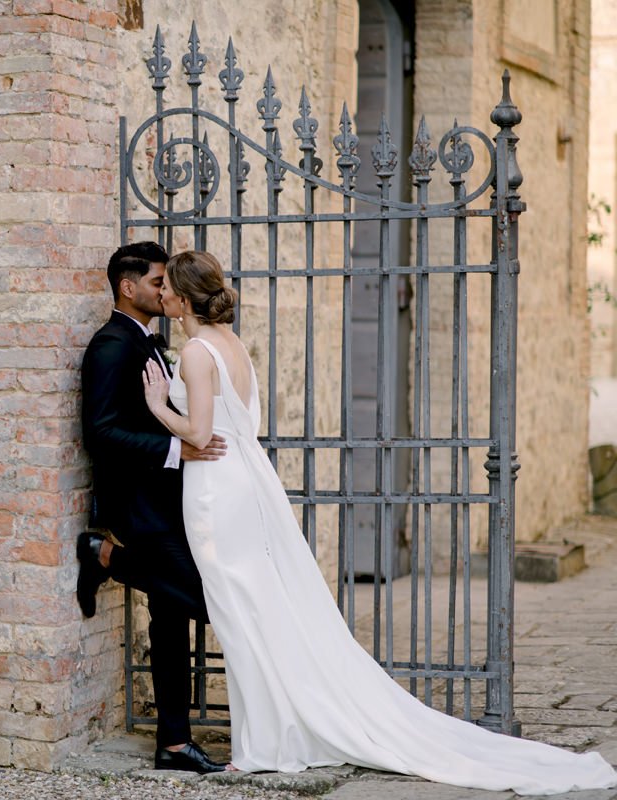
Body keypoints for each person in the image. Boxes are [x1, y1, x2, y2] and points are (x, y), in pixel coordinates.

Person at [139, 249, 617, 795]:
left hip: (217, 491)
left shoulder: (198, 351)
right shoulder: (232, 345)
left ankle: (265, 742)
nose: (162, 294)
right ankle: (271, 732)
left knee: (241, 614)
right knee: (258, 609)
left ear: (182, 296)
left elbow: (199, 434)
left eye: (167, 287)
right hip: (244, 484)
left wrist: (157, 404)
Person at [78, 241, 231, 774]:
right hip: (140, 504)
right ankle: (103, 555)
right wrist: (176, 448)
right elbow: (99, 432)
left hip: (173, 500)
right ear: (128, 286)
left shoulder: (150, 341)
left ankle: (173, 741)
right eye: (157, 281)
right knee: (206, 601)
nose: (163, 290)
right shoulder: (110, 345)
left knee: (171, 620)